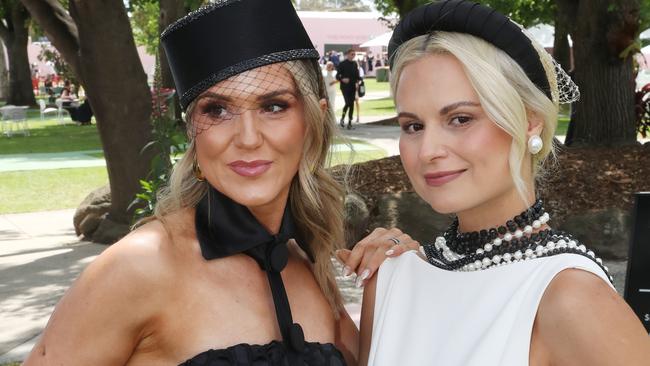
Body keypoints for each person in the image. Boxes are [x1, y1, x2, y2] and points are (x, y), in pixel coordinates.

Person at [24, 1, 417, 365]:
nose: (247, 138)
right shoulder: (141, 266)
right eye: (217, 110)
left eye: (273, 106)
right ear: (192, 129)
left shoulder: (307, 260)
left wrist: (390, 282)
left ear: (313, 121)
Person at [345, 1, 650, 365]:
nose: (428, 150)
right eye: (413, 126)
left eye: (459, 119)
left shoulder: (569, 298)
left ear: (529, 121)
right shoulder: (391, 281)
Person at [336, 49, 360, 130]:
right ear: (348, 55)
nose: (353, 56)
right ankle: (342, 118)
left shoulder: (354, 64)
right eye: (352, 54)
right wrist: (342, 79)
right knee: (348, 103)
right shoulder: (342, 64)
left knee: (352, 104)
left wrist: (360, 80)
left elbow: (357, 75)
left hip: (352, 87)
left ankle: (349, 122)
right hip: (345, 87)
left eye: (354, 54)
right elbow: (337, 76)